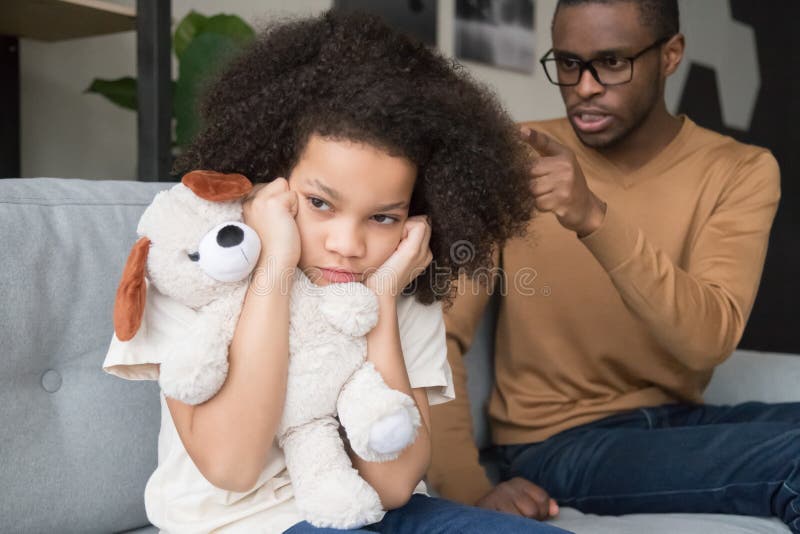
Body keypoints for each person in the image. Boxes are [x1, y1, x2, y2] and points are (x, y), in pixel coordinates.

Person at [102, 10, 570, 534]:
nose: (348, 245)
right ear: (272, 176)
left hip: (383, 513)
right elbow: (232, 465)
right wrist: (274, 264)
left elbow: (393, 486)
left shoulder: (398, 282)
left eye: (383, 217)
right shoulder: (194, 267)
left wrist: (386, 301)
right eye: (321, 203)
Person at [428, 0, 791, 529]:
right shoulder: (512, 157)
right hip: (556, 442)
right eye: (569, 63)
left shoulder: (741, 171)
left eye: (612, 63)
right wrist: (468, 488)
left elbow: (708, 338)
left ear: (671, 55)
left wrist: (595, 218)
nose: (585, 87)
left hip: (680, 422)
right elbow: (438, 335)